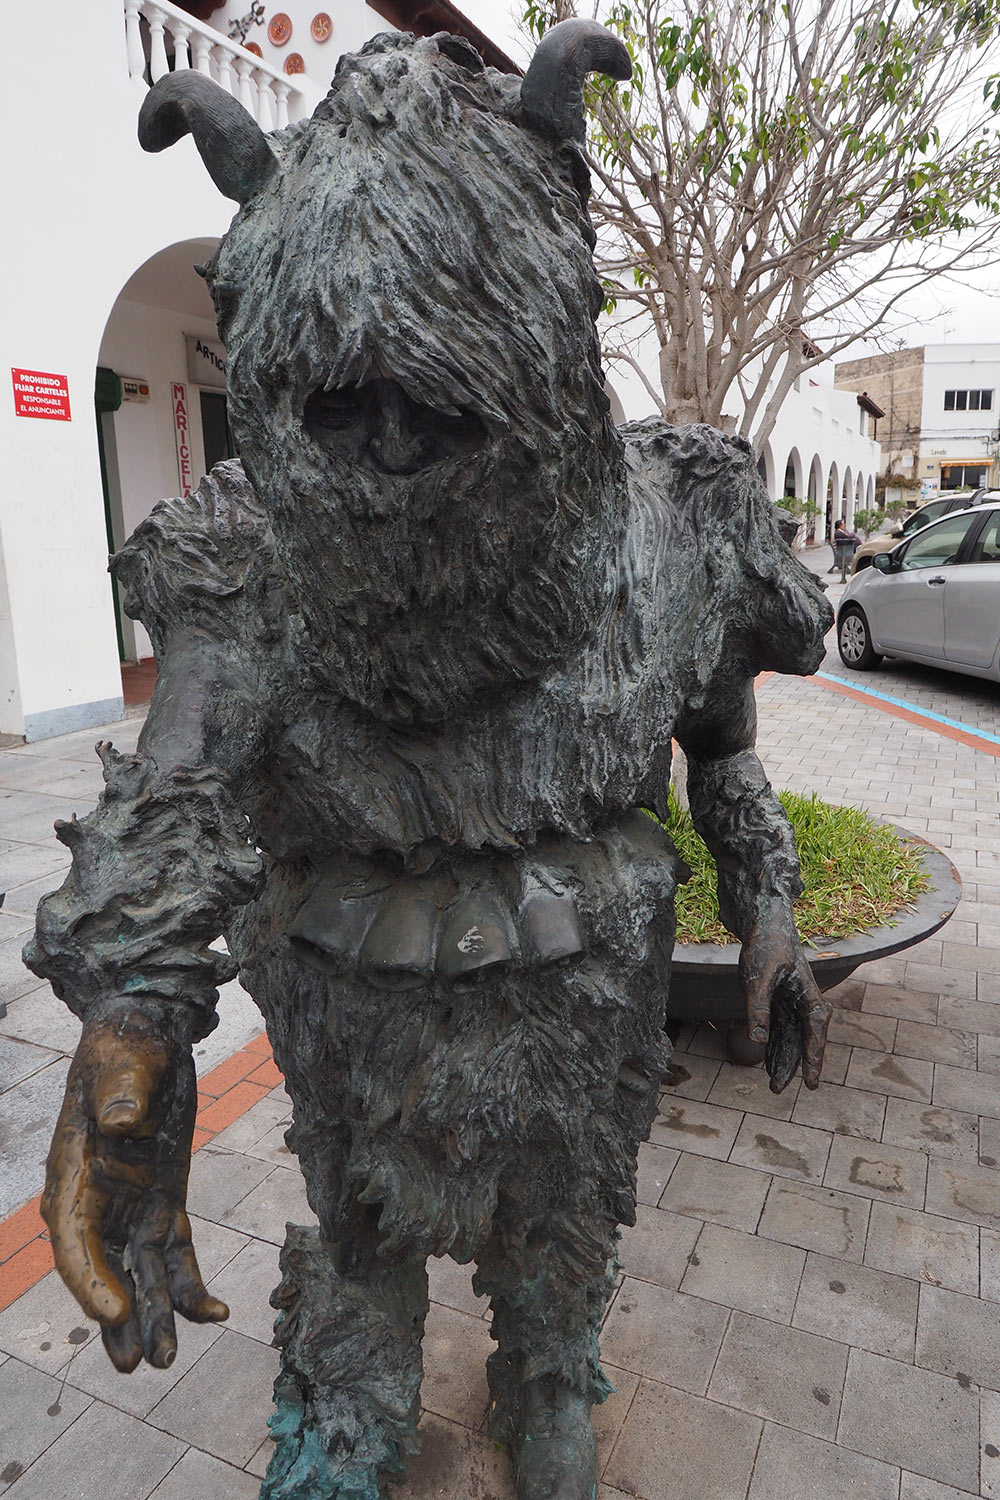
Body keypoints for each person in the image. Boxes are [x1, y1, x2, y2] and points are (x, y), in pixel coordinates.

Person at [26, 25, 833, 1500]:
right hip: (354, 1020)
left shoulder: (677, 526)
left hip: (583, 1021)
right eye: (344, 416)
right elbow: (180, 787)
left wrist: (764, 896)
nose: (389, 455)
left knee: (565, 1232)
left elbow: (723, 749)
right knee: (357, 1239)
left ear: (539, 359)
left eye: (437, 410)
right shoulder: (252, 556)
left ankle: (549, 1372)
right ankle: (346, 1401)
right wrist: (129, 1043)